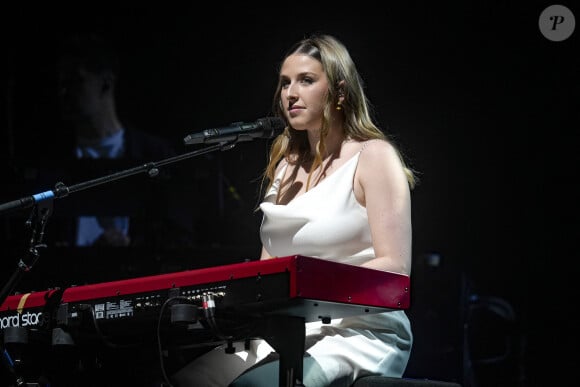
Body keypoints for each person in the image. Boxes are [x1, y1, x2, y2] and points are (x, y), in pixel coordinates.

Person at [171, 33, 418, 387]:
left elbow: (395, 268)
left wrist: (304, 284)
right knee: (187, 381)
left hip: (359, 331)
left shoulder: (374, 157)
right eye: (285, 82)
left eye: (306, 80)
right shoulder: (285, 166)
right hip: (286, 329)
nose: (290, 93)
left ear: (341, 91)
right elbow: (267, 271)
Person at [53, 32, 189, 248]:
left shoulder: (157, 155)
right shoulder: (52, 162)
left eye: (76, 81)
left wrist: (131, 247)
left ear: (106, 84)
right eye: (61, 83)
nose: (64, 93)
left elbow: (179, 236)